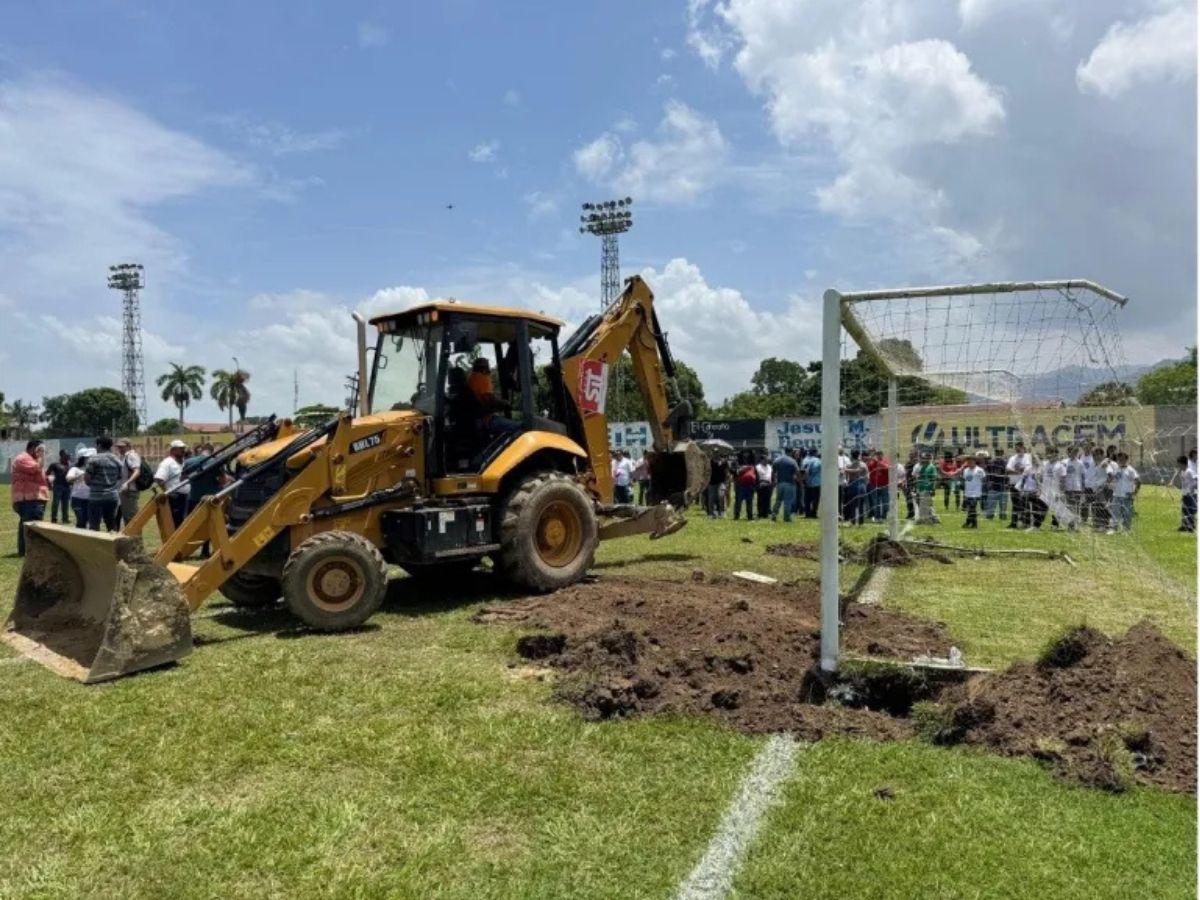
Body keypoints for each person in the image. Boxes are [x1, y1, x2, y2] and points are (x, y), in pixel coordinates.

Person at [11, 439, 48, 556]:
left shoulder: (32, 459)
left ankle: (25, 551)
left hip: (32, 498)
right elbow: (35, 469)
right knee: (33, 525)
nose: (41, 452)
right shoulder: (23, 458)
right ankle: (30, 551)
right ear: (32, 448)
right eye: (39, 449)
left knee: (28, 525)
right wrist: (41, 455)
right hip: (28, 498)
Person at [466, 357, 521, 436]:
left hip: (476, 419)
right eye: (488, 366)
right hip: (485, 420)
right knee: (521, 427)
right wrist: (504, 403)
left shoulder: (470, 378)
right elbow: (490, 400)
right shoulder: (482, 378)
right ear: (484, 368)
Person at [83, 436, 123, 532]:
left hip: (96, 497)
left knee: (94, 526)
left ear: (99, 445)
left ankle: (95, 546)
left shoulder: (93, 459)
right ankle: (114, 545)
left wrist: (95, 485)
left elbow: (87, 479)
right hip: (112, 496)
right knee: (111, 524)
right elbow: (120, 477)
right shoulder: (117, 459)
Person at [155, 440, 191, 526]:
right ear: (173, 450)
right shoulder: (167, 463)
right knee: (177, 522)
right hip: (175, 497)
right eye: (180, 448)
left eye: (183, 448)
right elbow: (159, 479)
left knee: (186, 522)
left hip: (187, 496)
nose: (183, 450)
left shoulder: (184, 462)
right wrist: (168, 492)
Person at [114, 437, 142, 527]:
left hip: (130, 492)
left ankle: (135, 540)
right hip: (125, 491)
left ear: (129, 446)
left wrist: (127, 483)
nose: (119, 449)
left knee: (131, 519)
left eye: (122, 447)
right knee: (126, 518)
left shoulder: (131, 455)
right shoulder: (125, 456)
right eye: (118, 447)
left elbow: (137, 471)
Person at [1083, 445, 1112, 532]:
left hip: (1103, 489)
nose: (1096, 456)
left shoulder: (1104, 464)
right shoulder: (1092, 464)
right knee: (1096, 506)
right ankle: (1097, 525)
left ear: (1102, 455)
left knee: (1102, 506)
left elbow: (1110, 475)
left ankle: (1106, 525)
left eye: (1098, 454)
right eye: (1094, 455)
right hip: (1093, 489)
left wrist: (1104, 486)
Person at [1110, 451, 1139, 533]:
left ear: (1126, 459)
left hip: (1126, 495)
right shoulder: (1116, 469)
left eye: (1122, 459)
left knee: (1127, 513)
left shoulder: (1130, 470)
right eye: (1119, 460)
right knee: (1115, 512)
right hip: (1116, 494)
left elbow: (1137, 481)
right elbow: (1113, 480)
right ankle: (1113, 528)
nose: (1120, 461)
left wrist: (1135, 492)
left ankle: (1126, 529)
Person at [1005, 442, 1032, 529]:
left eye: (1019, 448)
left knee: (1025, 503)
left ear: (1023, 448)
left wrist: (1021, 470)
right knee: (1015, 504)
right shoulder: (1013, 458)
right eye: (1016, 448)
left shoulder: (1028, 457)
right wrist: (1017, 471)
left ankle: (1026, 523)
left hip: (1024, 484)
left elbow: (1028, 469)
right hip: (1013, 484)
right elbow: (1008, 469)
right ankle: (1013, 523)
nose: (1017, 450)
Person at [770, 448, 799, 522]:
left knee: (778, 500)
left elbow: (773, 472)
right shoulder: (793, 461)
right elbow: (797, 472)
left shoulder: (777, 460)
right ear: (791, 452)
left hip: (780, 483)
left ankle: (773, 514)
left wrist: (773, 481)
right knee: (787, 501)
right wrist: (799, 480)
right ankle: (786, 517)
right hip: (789, 483)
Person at [46, 449, 72, 525]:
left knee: (66, 503)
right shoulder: (55, 464)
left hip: (67, 487)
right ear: (61, 455)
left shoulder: (70, 465)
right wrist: (49, 484)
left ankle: (65, 519)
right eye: (66, 455)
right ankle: (54, 519)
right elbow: (47, 474)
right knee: (56, 503)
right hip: (58, 487)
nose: (68, 457)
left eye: (68, 456)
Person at [842, 449, 868, 526]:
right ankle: (857, 521)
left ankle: (857, 521)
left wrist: (845, 470)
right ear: (859, 455)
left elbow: (858, 470)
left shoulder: (855, 465)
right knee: (857, 504)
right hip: (858, 485)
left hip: (856, 484)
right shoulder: (862, 464)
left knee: (856, 504)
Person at [67, 450, 92, 528]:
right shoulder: (75, 469)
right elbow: (68, 479)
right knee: (81, 519)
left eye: (89, 457)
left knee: (86, 520)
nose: (89, 459)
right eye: (87, 458)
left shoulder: (92, 469)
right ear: (82, 458)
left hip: (89, 499)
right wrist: (79, 476)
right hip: (77, 499)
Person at [961, 452, 985, 528]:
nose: (969, 462)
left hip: (976, 493)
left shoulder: (979, 470)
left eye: (971, 461)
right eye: (968, 461)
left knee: (972, 507)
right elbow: (965, 481)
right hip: (968, 492)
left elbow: (984, 480)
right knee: (970, 509)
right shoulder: (965, 470)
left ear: (975, 461)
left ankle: (972, 523)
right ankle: (971, 523)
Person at [866, 449, 891, 522]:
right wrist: (871, 460)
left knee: (885, 503)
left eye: (880, 454)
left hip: (884, 485)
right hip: (874, 485)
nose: (878, 456)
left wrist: (878, 462)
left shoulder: (886, 461)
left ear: (882, 455)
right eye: (877, 455)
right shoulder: (872, 463)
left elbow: (888, 468)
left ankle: (884, 516)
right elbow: (868, 468)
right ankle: (877, 517)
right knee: (876, 502)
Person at [1062, 445, 1084, 531]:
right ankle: (1070, 525)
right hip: (1067, 488)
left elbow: (1082, 476)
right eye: (1071, 451)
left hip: (1077, 488)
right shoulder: (1064, 462)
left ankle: (1076, 525)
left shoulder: (1080, 463)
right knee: (1069, 507)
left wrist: (1082, 488)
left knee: (1076, 507)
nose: (1072, 453)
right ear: (1068, 452)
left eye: (1075, 452)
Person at [914, 452, 940, 525]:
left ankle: (923, 520)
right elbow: (919, 478)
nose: (922, 460)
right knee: (925, 504)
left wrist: (933, 489)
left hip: (927, 488)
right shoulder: (922, 467)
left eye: (924, 458)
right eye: (922, 458)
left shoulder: (931, 467)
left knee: (924, 505)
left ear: (929, 459)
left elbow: (934, 479)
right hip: (920, 488)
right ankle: (935, 519)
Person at [733, 454, 757, 520]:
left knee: (749, 502)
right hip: (741, 486)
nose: (746, 459)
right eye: (744, 458)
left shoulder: (753, 467)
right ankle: (736, 516)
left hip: (750, 486)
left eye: (747, 458)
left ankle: (750, 516)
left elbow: (756, 476)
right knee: (738, 502)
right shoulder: (739, 466)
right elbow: (736, 473)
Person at [1177, 454, 1196, 533]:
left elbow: (1196, 481)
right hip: (1184, 493)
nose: (1178, 465)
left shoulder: (1189, 471)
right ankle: (1184, 525)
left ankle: (1191, 526)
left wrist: (1191, 489)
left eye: (1179, 464)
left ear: (1183, 463)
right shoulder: (1183, 471)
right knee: (1184, 510)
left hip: (1190, 494)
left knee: (1189, 510)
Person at [706, 453, 728, 518]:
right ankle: (711, 513)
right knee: (711, 498)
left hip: (721, 482)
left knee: (721, 497)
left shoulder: (724, 462)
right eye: (714, 453)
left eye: (717, 453)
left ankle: (722, 512)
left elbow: (726, 472)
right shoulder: (709, 462)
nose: (716, 455)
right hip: (712, 482)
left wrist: (727, 482)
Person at [800, 450, 821, 518]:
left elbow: (802, 470)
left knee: (807, 499)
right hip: (816, 482)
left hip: (807, 482)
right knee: (815, 499)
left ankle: (807, 513)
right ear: (815, 453)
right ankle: (814, 513)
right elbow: (815, 469)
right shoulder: (818, 460)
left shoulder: (805, 460)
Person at [754, 453, 773, 520]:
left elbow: (771, 475)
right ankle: (760, 513)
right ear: (761, 460)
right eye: (765, 459)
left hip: (768, 485)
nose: (766, 461)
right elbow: (756, 477)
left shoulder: (770, 467)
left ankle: (766, 514)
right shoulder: (757, 467)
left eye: (767, 460)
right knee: (760, 500)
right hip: (761, 484)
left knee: (767, 500)